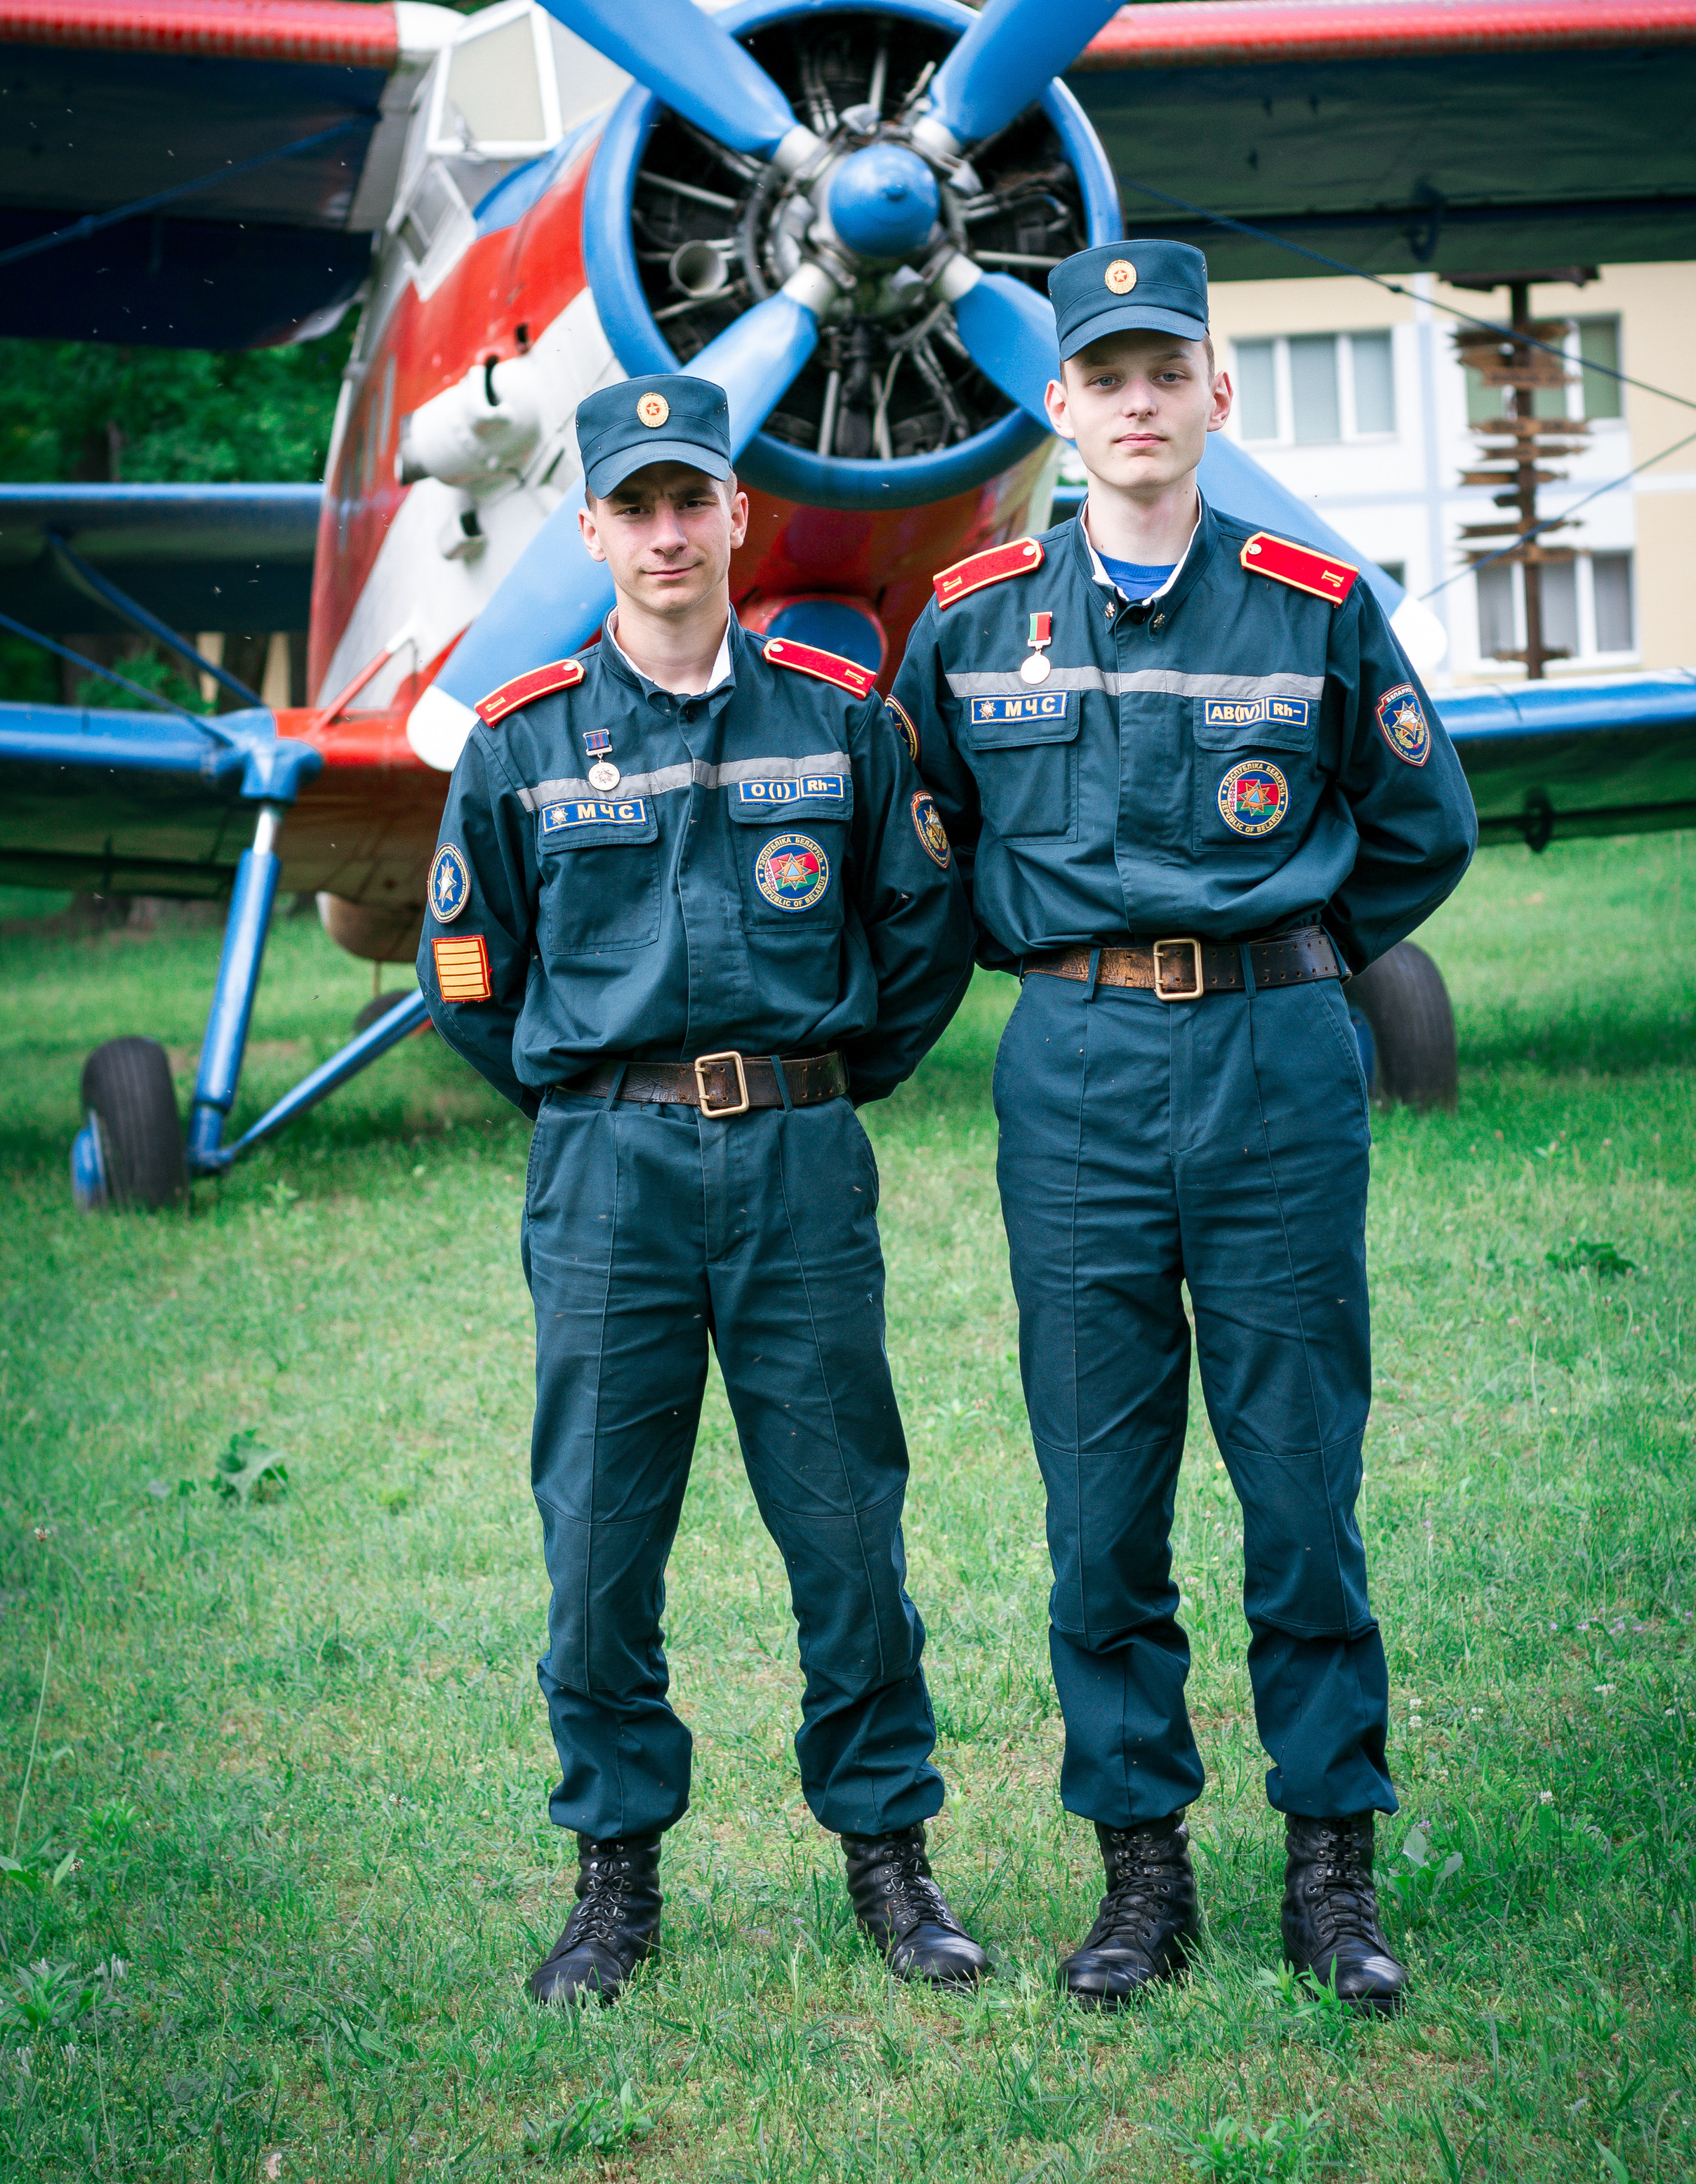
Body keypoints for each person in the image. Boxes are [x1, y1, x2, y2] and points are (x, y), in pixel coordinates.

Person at [887, 241, 1478, 2012]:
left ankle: (1330, 1871)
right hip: (1069, 1071)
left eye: (1168, 371)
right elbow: (918, 840)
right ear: (1054, 408)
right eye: (1104, 377)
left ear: (1217, 394)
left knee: (1299, 1477)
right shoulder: (973, 618)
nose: (1137, 403)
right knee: (1099, 1495)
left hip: (1274, 1066)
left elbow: (1420, 823)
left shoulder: (1309, 601)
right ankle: (1139, 1874)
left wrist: (1296, 960)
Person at [419, 373, 988, 2007]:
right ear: (588, 525)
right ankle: (613, 1882)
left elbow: (921, 931)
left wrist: (824, 1084)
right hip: (607, 1172)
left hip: (801, 1164)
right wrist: (585, 1096)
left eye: (694, 501)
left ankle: (889, 1858)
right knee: (598, 1534)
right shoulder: (523, 742)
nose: (668, 534)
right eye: (636, 506)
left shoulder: (836, 720)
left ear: (738, 514)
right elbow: (466, 971)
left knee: (844, 1526)